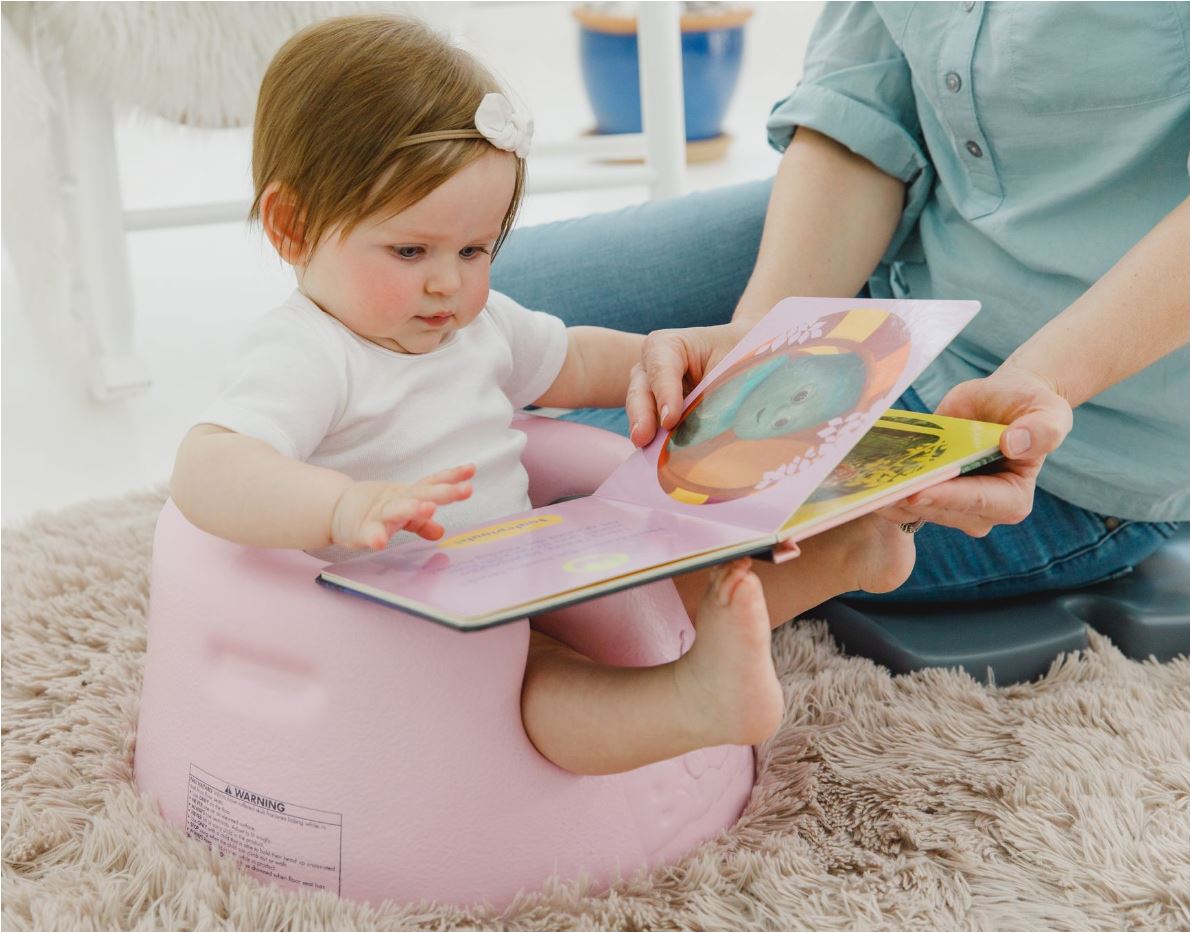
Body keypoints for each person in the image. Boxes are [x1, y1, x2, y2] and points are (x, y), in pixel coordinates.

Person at [171, 14, 917, 777]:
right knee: (539, 692)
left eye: (475, 249)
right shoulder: (309, 351)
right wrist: (341, 506)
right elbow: (207, 465)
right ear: (292, 226)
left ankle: (846, 550)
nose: (447, 282)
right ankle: (695, 702)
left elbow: (574, 358)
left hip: (510, 576)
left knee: (660, 579)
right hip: (398, 631)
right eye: (409, 250)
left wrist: (671, 366)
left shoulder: (473, 321)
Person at [494, 1, 1190, 604]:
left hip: (1085, 408)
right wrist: (762, 338)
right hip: (906, 244)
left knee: (520, 499)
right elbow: (862, 110)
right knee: (451, 298)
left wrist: (1041, 386)